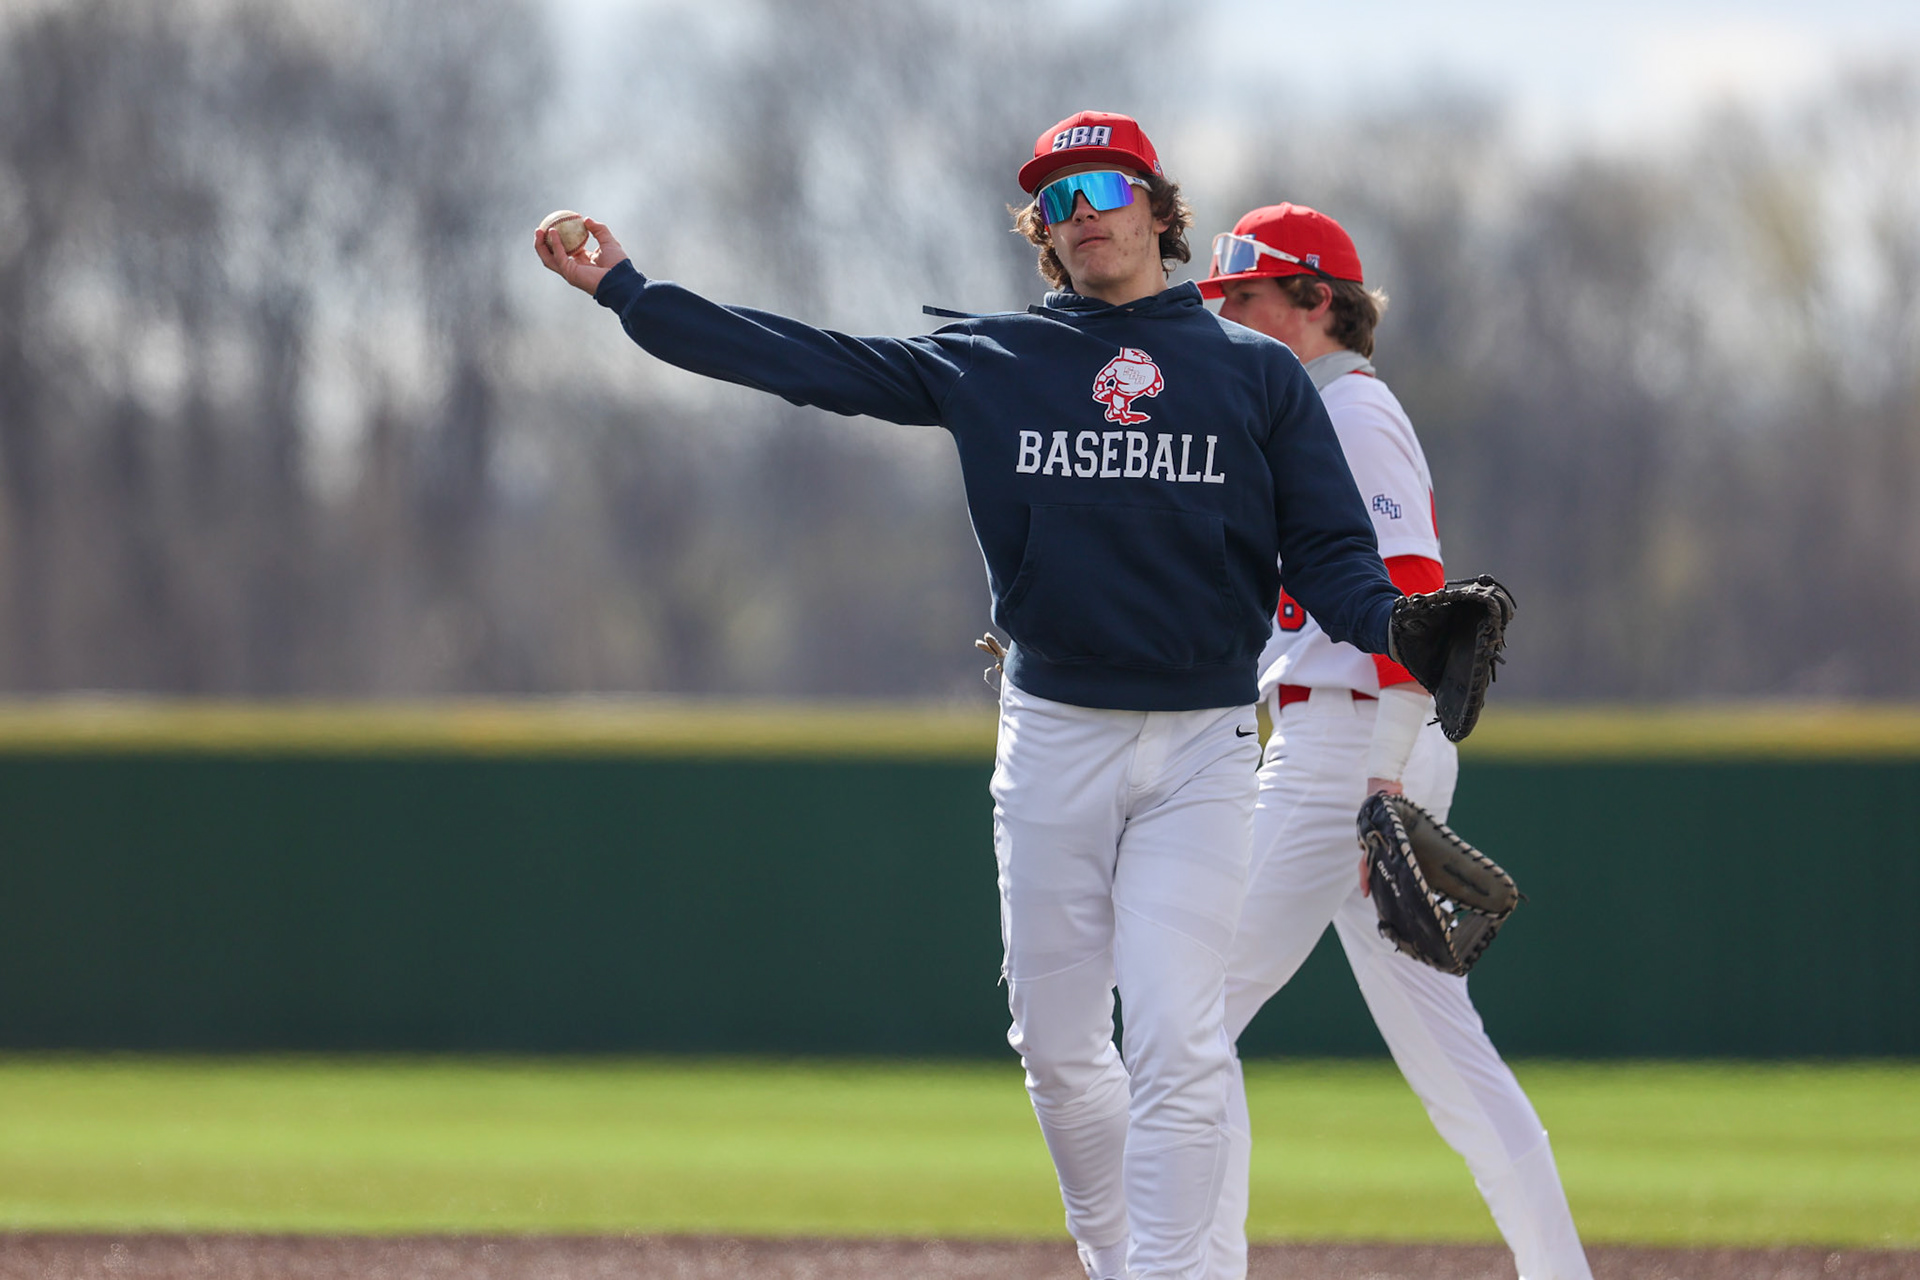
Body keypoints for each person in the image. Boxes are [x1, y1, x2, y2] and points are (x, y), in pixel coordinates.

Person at [535, 113, 1407, 1280]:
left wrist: (1406, 631)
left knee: (1177, 1040)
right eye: (1054, 197)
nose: (1080, 208)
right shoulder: (995, 360)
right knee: (1055, 1047)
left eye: (1102, 183)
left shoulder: (1254, 374)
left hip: (1202, 744)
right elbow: (808, 360)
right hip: (1054, 738)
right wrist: (631, 292)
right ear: (1041, 235)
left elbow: (1336, 556)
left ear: (1157, 204)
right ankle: (1114, 1256)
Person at [1195, 204, 1593, 1280]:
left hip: (1349, 752)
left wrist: (1381, 780)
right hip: (1341, 750)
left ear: (1319, 302)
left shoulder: (1353, 416)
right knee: (1452, 1065)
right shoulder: (1299, 419)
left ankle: (1191, 1265)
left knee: (1181, 1019)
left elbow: (1424, 608)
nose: (1227, 317)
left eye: (1248, 298)